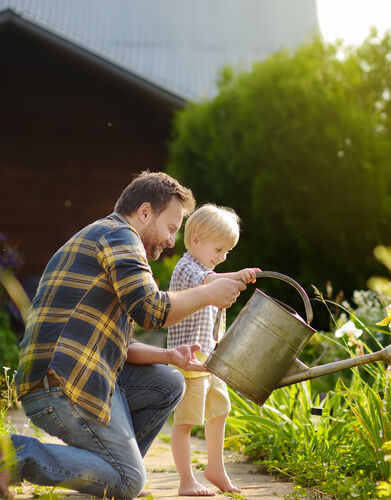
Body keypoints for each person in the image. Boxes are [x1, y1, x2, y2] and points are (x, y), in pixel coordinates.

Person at [0, 172, 246, 499]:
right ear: (145, 212)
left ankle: (113, 473)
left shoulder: (108, 239)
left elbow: (123, 345)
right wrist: (208, 294)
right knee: (129, 483)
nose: (173, 241)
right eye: (171, 228)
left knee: (170, 381)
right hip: (62, 383)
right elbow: (151, 309)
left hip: (85, 374)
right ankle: (14, 455)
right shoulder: (119, 236)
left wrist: (168, 356)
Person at [167, 204, 260, 496]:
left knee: (220, 410)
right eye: (219, 250)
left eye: (227, 253)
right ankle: (186, 480)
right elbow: (209, 283)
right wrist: (237, 275)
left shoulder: (206, 268)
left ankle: (216, 469)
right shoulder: (188, 268)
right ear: (195, 240)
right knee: (186, 420)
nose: (221, 258)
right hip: (189, 359)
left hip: (210, 358)